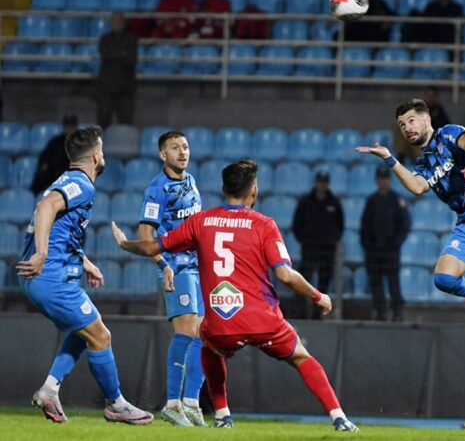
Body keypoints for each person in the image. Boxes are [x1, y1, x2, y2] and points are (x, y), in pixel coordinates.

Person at [111, 160, 359, 432]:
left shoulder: (201, 221)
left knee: (209, 346)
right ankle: (339, 418)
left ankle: (222, 415)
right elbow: (286, 276)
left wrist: (125, 244)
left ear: (223, 189)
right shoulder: (264, 224)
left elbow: (151, 247)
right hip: (262, 320)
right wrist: (318, 296)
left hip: (222, 322)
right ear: (254, 190)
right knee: (301, 356)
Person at [356, 99, 465, 401]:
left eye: (411, 120)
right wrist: (390, 159)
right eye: (402, 125)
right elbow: (417, 187)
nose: (407, 128)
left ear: (426, 120)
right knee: (443, 279)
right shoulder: (424, 164)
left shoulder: (449, 133)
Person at [16, 126, 153, 425]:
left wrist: (84, 261)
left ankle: (50, 389)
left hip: (41, 277)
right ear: (95, 156)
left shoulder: (66, 180)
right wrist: (41, 254)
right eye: (102, 150)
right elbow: (45, 207)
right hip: (49, 277)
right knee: (101, 335)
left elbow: (62, 229)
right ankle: (115, 404)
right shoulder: (82, 184)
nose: (103, 155)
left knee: (83, 331)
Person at [138, 131, 206, 426]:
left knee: (204, 334)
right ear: (162, 155)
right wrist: (162, 264)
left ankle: (191, 402)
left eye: (185, 147)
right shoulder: (157, 189)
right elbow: (145, 234)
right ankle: (172, 404)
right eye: (175, 147)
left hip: (197, 266)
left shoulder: (191, 181)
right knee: (187, 331)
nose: (182, 152)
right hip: (176, 266)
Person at [361, 165, 411, 321]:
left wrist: (396, 242)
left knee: (393, 282)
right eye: (380, 179)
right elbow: (365, 226)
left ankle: (397, 311)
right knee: (375, 283)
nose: (383, 182)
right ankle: (380, 311)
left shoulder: (397, 200)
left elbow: (405, 224)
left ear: (389, 180)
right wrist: (367, 245)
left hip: (391, 249)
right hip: (374, 250)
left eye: (385, 178)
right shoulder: (371, 201)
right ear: (377, 180)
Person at [291, 171, 344, 319]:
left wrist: (332, 240)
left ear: (327, 184)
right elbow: (297, 224)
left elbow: (340, 225)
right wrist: (304, 239)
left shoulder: (334, 203)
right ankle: (301, 311)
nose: (322, 185)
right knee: (304, 279)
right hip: (309, 248)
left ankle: (317, 313)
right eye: (320, 182)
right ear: (316, 182)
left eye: (324, 182)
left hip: (327, 250)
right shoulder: (305, 202)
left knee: (324, 281)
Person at [97, 13, 137, 129]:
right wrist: (121, 53)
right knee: (103, 121)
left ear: (124, 22)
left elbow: (131, 59)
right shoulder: (105, 39)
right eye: (114, 21)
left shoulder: (131, 38)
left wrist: (114, 55)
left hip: (125, 87)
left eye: (119, 21)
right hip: (107, 87)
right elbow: (105, 56)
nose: (117, 23)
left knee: (126, 122)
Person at [31, 114, 78, 196]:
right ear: (64, 127)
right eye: (67, 126)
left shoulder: (80, 143)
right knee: (41, 175)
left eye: (72, 127)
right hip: (54, 173)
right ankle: (34, 197)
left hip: (70, 173)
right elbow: (44, 157)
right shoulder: (55, 142)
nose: (69, 129)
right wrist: (44, 165)